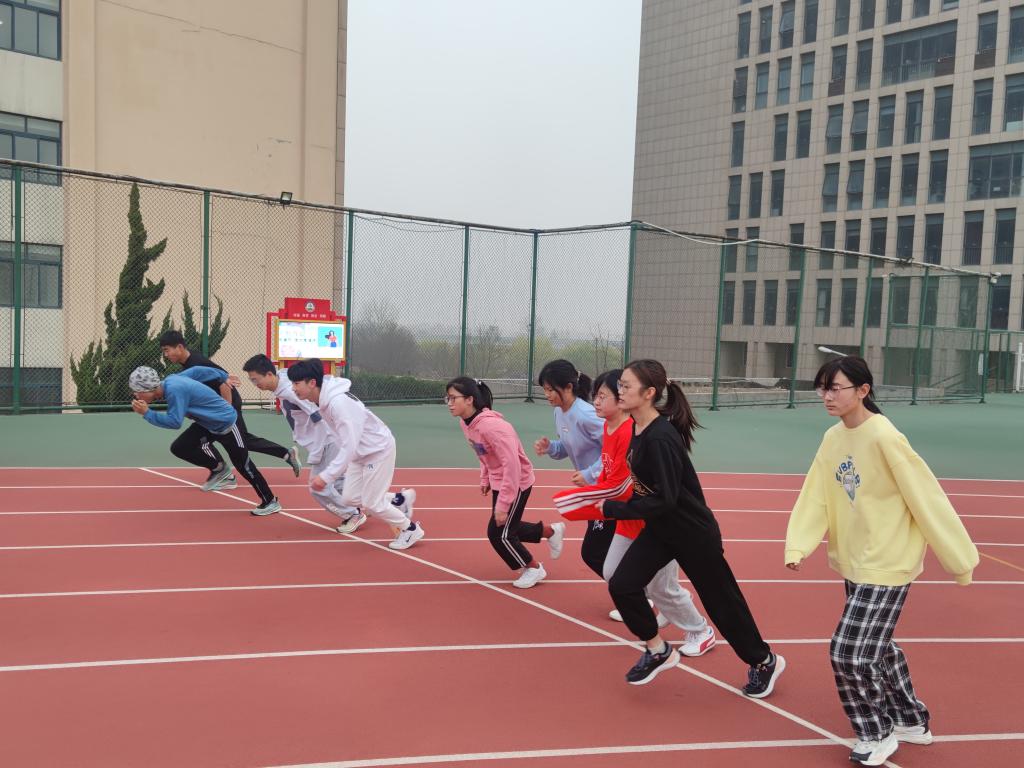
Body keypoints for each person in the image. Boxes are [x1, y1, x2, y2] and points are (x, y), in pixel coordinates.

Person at [785, 356, 979, 767]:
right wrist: (798, 545)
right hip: (855, 559)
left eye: (835, 387)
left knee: (848, 652)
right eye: (822, 388)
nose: (827, 396)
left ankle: (876, 732)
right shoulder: (833, 438)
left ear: (863, 391)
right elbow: (815, 493)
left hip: (889, 561)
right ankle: (911, 720)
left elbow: (927, 498)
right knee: (878, 646)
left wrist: (959, 560)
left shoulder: (886, 437)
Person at [595, 359, 784, 694]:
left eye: (625, 386)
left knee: (722, 604)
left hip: (692, 533)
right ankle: (657, 650)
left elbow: (665, 499)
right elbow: (649, 491)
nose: (619, 391)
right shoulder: (637, 429)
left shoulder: (660, 438)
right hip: (662, 530)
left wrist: (615, 509)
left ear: (649, 393)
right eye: (619, 385)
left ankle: (764, 661)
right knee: (622, 584)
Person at [554, 369, 715, 658]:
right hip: (628, 518)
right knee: (614, 573)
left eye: (603, 396)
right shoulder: (609, 428)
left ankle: (700, 631)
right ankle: (670, 603)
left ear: (621, 400)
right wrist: (591, 493)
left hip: (652, 522)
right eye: (595, 396)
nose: (596, 402)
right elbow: (608, 473)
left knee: (661, 587)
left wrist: (583, 499)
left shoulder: (632, 433)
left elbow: (624, 484)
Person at [241, 354, 416, 528]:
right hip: (323, 441)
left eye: (255, 380)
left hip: (327, 441)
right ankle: (397, 500)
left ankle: (353, 514)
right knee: (341, 486)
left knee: (318, 488)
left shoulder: (292, 392)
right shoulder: (284, 377)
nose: (255, 384)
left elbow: (318, 412)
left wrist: (327, 445)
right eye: (251, 380)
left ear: (269, 374)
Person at [287, 358, 424, 550]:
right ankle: (398, 500)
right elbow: (345, 442)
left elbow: (349, 445)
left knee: (372, 503)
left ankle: (410, 529)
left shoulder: (337, 403)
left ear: (312, 383)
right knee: (349, 499)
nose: (293, 388)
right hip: (360, 454)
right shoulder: (324, 400)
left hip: (377, 449)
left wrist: (327, 476)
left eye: (296, 383)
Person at [447, 376, 564, 588]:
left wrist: (503, 504)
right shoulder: (467, 423)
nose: (449, 403)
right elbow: (482, 452)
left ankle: (533, 568)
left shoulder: (492, 427)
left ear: (470, 399)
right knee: (508, 526)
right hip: (499, 480)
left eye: (454, 398)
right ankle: (550, 532)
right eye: (448, 398)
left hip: (517, 482)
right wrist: (485, 477)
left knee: (499, 534)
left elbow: (512, 466)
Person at [128, 365, 281, 516]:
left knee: (244, 466)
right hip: (208, 424)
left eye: (137, 391)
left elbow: (174, 422)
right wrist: (223, 376)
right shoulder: (172, 380)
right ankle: (220, 469)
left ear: (148, 389)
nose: (136, 396)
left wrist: (147, 413)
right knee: (180, 447)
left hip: (226, 424)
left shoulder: (174, 389)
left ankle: (270, 501)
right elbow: (197, 371)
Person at [159, 330, 300, 487]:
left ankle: (224, 473)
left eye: (167, 350)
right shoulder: (188, 361)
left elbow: (224, 383)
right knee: (240, 439)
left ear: (179, 347)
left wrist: (226, 411)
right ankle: (283, 454)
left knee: (235, 440)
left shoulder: (196, 362)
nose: (166, 354)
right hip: (217, 410)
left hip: (228, 404)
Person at [532, 360, 615, 586]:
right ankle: (638, 592)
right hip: (593, 492)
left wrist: (590, 473)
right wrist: (551, 447)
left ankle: (636, 593)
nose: (547, 395)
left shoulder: (587, 415)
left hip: (609, 490)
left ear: (568, 387)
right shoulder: (560, 412)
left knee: (594, 552)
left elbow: (615, 448)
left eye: (551, 390)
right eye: (544, 390)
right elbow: (569, 447)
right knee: (605, 549)